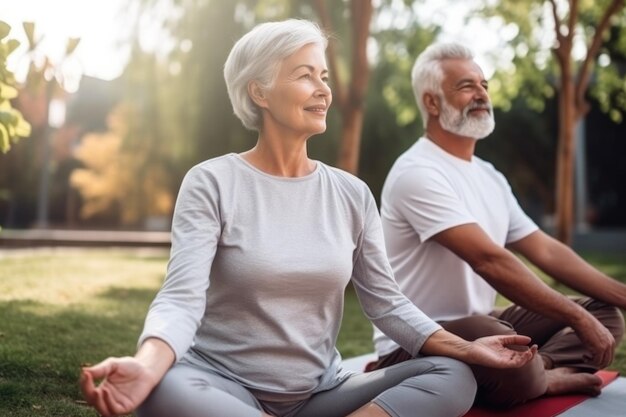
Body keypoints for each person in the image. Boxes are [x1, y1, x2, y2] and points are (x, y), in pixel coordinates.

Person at [80, 21, 537, 417]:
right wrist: (148, 362)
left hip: (322, 392)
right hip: (220, 382)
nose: (323, 89)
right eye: (304, 76)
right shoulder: (212, 182)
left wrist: (468, 349)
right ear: (258, 90)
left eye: (323, 75)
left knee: (453, 376)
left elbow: (387, 304)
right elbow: (181, 301)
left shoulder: (351, 193)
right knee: (163, 392)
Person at [367, 41, 626, 408]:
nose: (481, 94)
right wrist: (574, 318)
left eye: (484, 84)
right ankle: (536, 376)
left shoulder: (489, 175)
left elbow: (546, 250)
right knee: (495, 333)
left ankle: (537, 371)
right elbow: (489, 260)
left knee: (603, 313)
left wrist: (620, 297)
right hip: (418, 340)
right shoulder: (416, 172)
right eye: (466, 86)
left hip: (484, 324)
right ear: (432, 102)